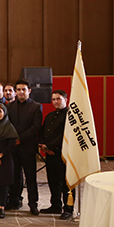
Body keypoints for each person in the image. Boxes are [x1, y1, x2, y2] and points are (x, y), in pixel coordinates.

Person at [6, 79, 43, 215]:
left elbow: (35, 127)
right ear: (16, 91)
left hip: (27, 147)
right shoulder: (9, 107)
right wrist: (13, 139)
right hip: (13, 148)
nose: (21, 92)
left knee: (30, 177)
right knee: (15, 176)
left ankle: (33, 204)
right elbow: (7, 124)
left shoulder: (36, 106)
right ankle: (15, 200)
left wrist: (20, 139)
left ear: (29, 91)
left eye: (24, 89)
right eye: (19, 89)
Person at [39, 90, 74, 220]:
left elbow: (65, 135)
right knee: (52, 181)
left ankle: (68, 208)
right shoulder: (50, 115)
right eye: (53, 99)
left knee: (65, 183)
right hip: (50, 154)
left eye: (58, 99)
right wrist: (43, 145)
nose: (56, 102)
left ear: (66, 99)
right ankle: (55, 205)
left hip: (62, 154)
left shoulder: (70, 116)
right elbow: (43, 132)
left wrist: (50, 147)